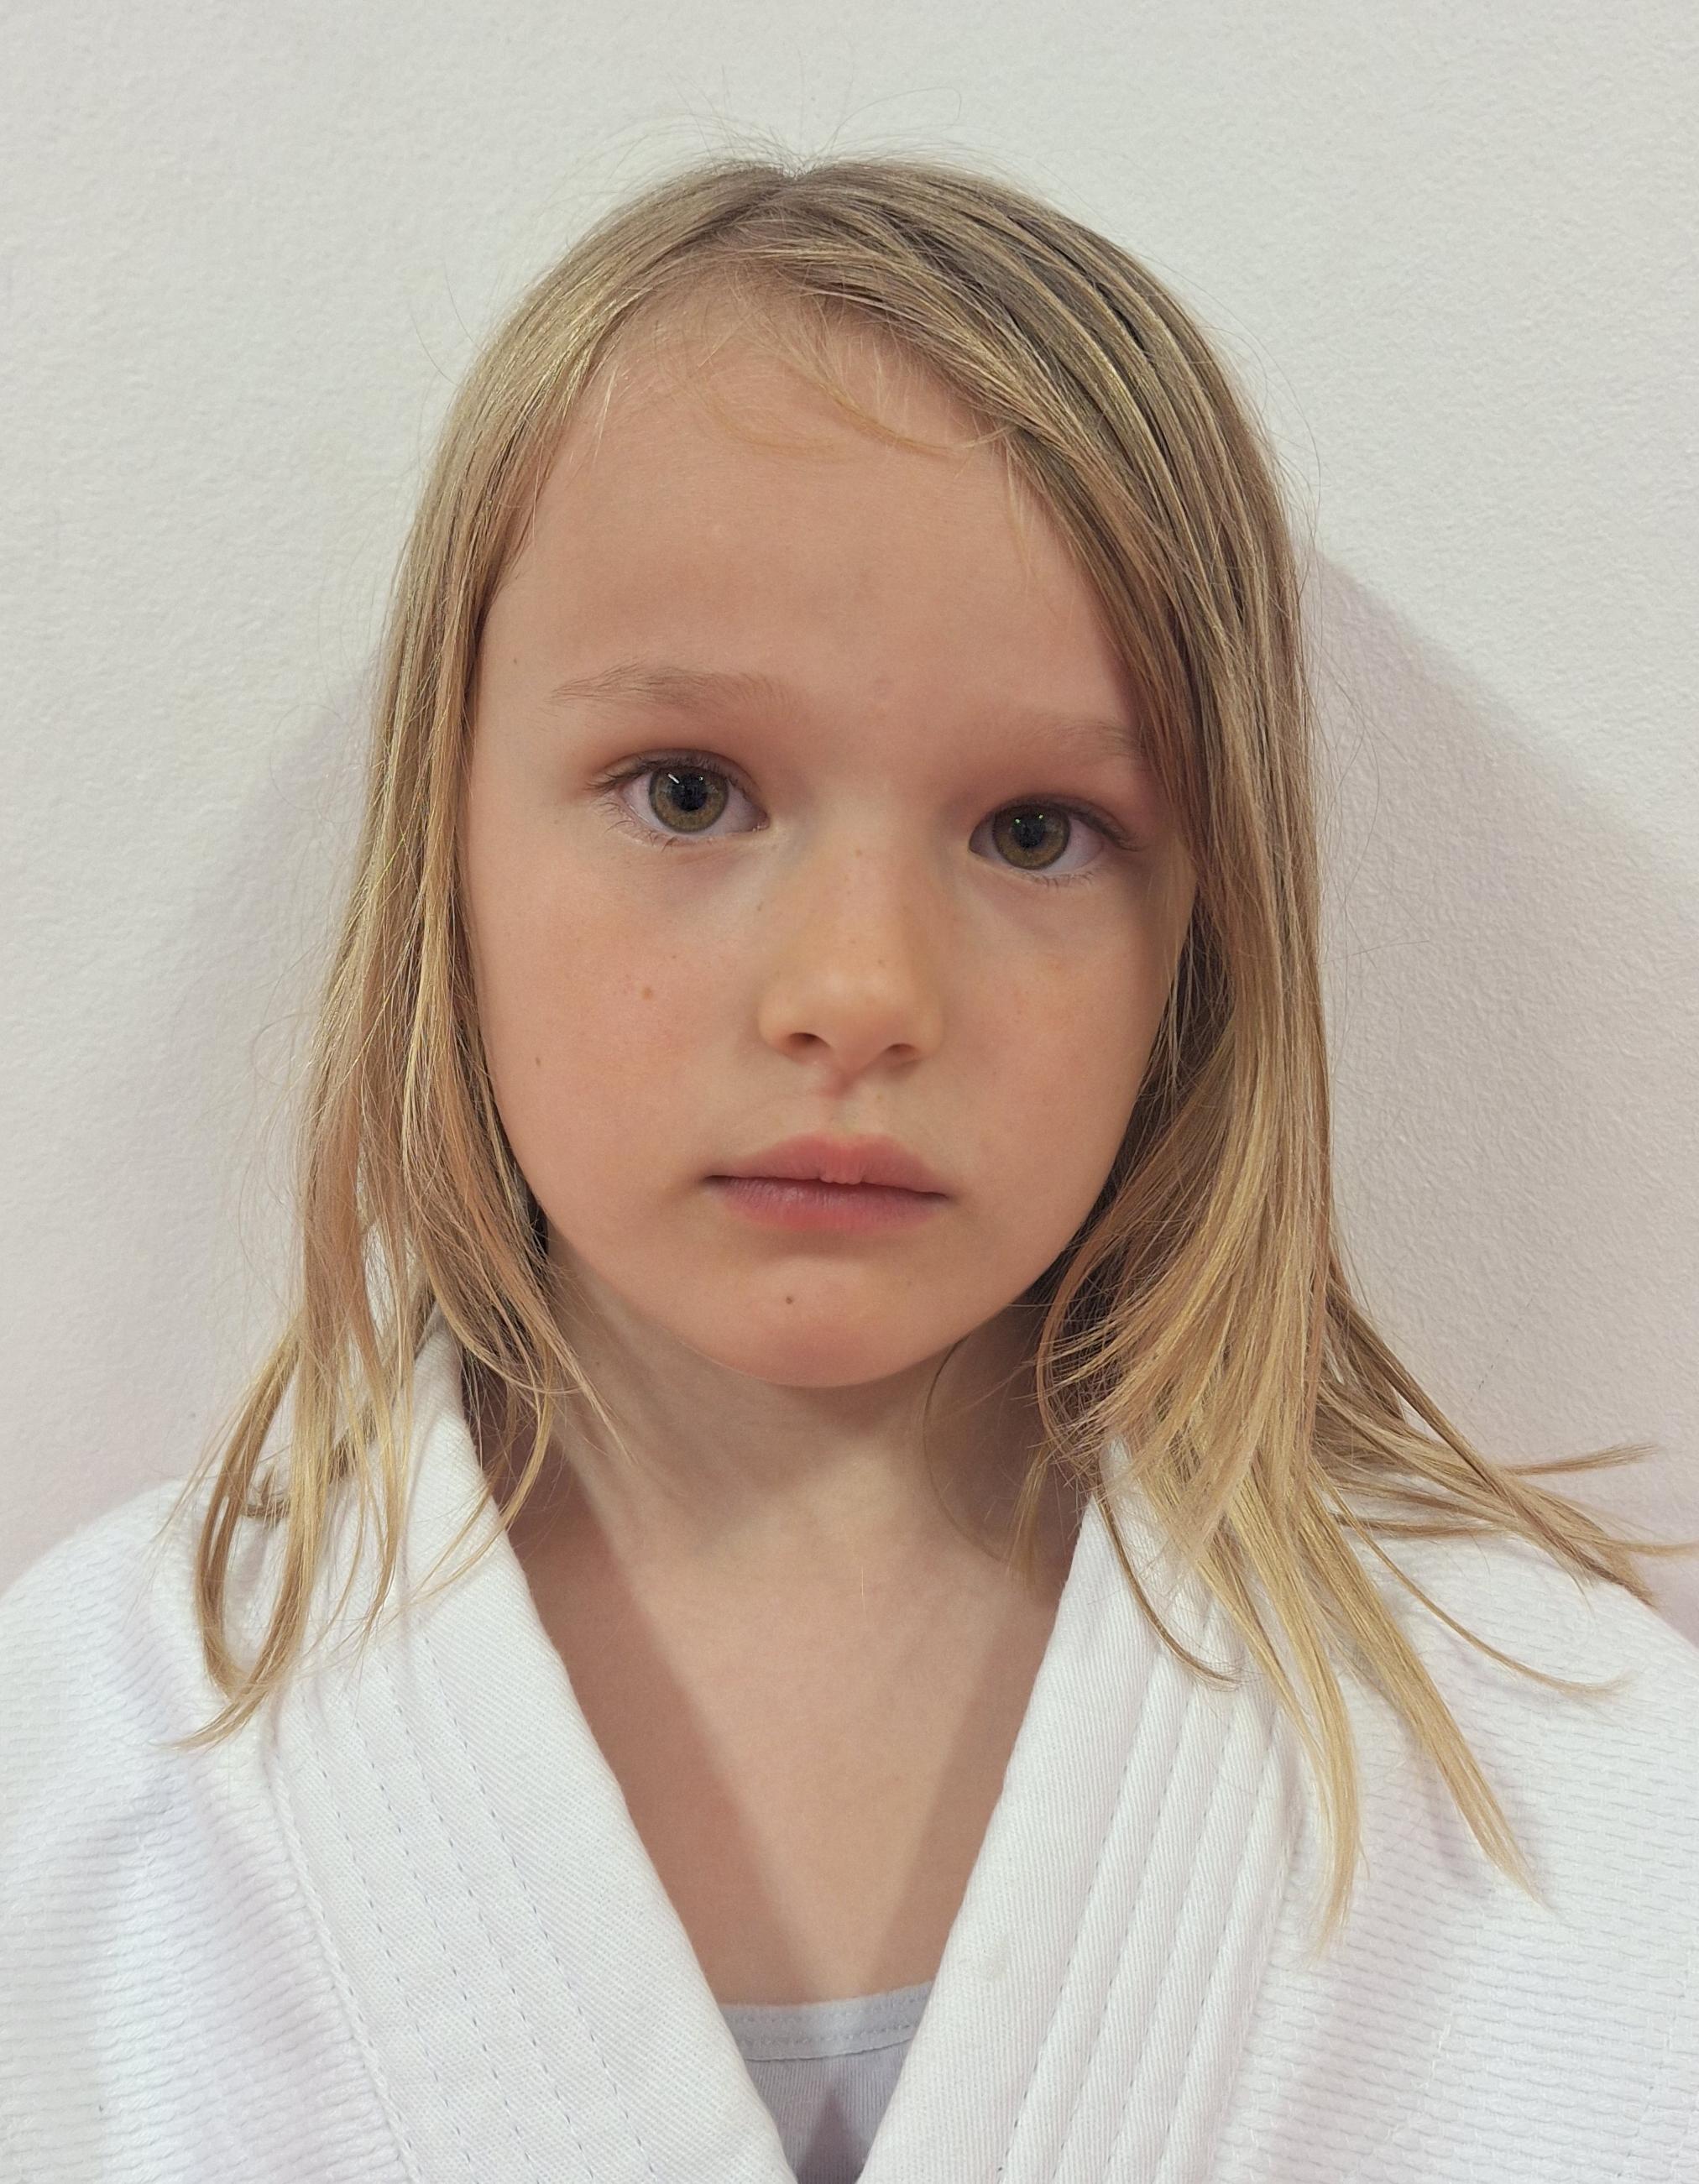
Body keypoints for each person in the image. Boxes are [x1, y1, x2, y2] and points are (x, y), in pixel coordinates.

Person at [3, 149, 1696, 2184]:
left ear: (1203, 933)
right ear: (444, 848)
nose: (859, 992)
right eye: (687, 791)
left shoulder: (1582, 1791)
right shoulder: (77, 1774)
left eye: (1036, 830)